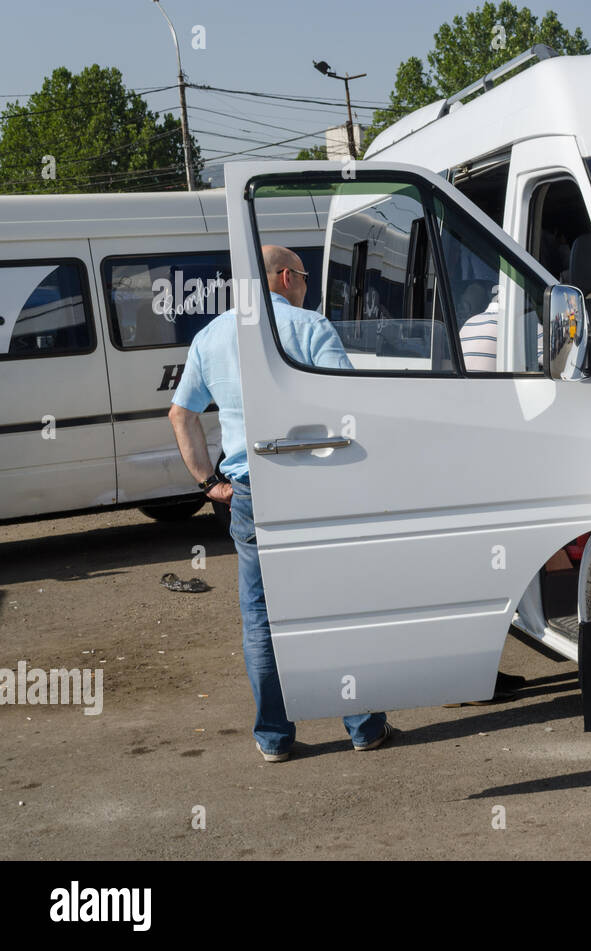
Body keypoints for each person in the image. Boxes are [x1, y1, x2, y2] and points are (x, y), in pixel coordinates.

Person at [168, 245, 393, 763]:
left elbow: (181, 416)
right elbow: (348, 404)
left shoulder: (211, 336)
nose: (307, 286)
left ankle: (274, 738)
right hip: (318, 484)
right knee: (337, 607)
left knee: (259, 617)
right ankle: (363, 726)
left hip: (249, 489)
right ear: (287, 276)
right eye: (306, 277)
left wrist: (209, 484)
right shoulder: (311, 328)